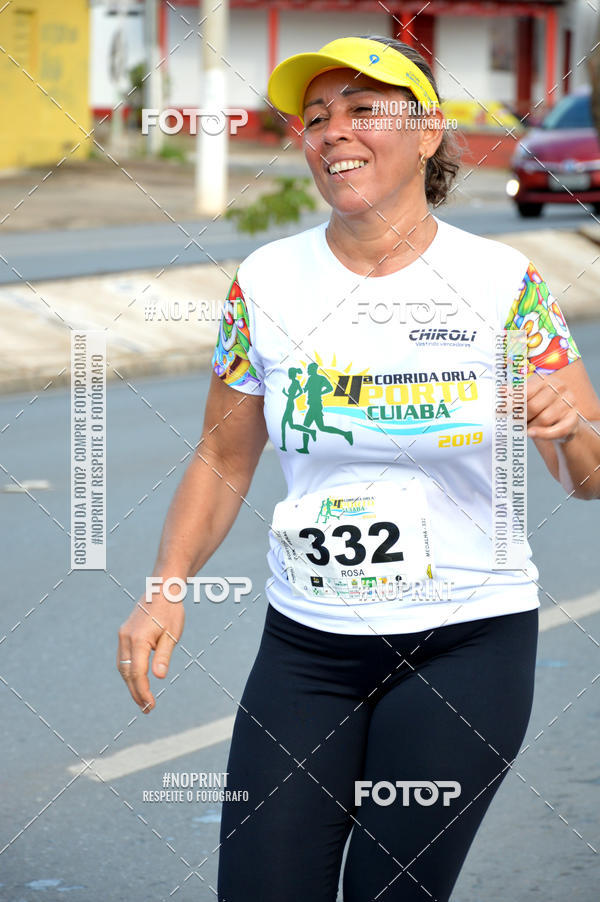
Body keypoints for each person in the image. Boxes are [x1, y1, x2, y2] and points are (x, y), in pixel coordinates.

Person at [117, 35, 600, 902]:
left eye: (364, 109)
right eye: (315, 118)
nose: (334, 132)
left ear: (428, 133)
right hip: (307, 649)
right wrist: (167, 586)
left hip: (467, 645)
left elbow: (590, 474)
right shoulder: (265, 282)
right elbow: (224, 455)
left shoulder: (505, 285)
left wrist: (570, 431)